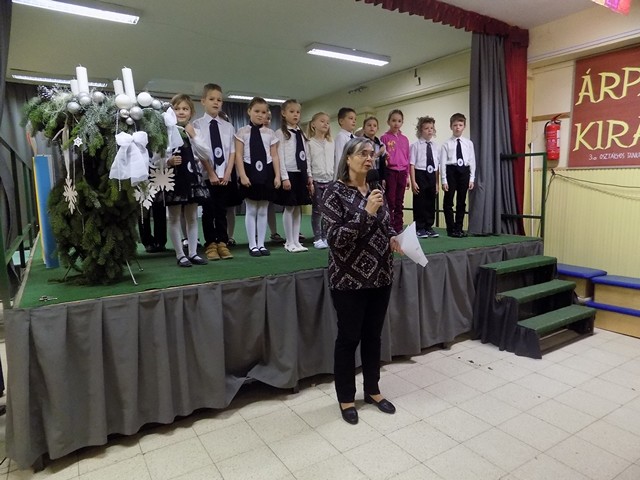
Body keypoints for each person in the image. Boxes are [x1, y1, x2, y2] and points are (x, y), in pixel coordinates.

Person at [321, 137, 403, 425]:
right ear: (348, 158)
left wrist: (393, 237)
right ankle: (346, 397)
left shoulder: (376, 188)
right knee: (348, 339)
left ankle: (373, 391)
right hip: (349, 280)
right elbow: (334, 239)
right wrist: (366, 213)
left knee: (373, 337)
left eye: (371, 154)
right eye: (363, 154)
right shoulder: (333, 192)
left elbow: (387, 223)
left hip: (381, 275)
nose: (369, 158)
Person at [164, 94, 210, 267]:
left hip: (191, 178)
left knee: (192, 217)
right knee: (174, 217)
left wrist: (194, 136)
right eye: (177, 109)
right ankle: (180, 254)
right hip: (174, 178)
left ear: (191, 112)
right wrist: (167, 161)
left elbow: (205, 154)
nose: (181, 112)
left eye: (185, 109)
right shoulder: (166, 131)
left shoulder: (193, 131)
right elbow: (156, 156)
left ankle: (193, 252)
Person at [192, 83, 235, 261]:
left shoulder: (228, 127)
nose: (216, 102)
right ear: (203, 101)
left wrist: (228, 173)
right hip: (207, 175)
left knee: (221, 210)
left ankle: (222, 243)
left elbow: (232, 152)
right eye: (212, 99)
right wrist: (210, 172)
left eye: (219, 100)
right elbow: (199, 151)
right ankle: (210, 243)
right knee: (208, 210)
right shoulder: (197, 125)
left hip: (224, 175)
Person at [234, 97, 282, 256]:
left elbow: (274, 156)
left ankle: (261, 244)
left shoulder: (270, 133)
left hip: (266, 171)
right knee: (251, 209)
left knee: (263, 210)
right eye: (257, 111)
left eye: (264, 112)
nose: (261, 115)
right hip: (249, 170)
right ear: (249, 111)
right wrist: (242, 175)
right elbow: (238, 155)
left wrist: (277, 176)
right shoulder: (242, 132)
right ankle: (252, 245)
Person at [275, 99, 313, 253]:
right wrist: (284, 177)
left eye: (298, 112)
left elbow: (306, 156)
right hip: (289, 173)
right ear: (284, 113)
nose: (295, 115)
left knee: (298, 208)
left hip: (301, 173)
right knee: (290, 207)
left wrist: (309, 175)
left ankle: (296, 240)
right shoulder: (281, 133)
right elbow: (280, 156)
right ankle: (289, 241)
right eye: (292, 111)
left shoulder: (301, 133)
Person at [440, 112, 475, 237]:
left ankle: (459, 228)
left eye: (460, 125)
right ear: (451, 126)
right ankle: (451, 228)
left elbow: (472, 161)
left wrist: (472, 178)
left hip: (464, 172)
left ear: (464, 126)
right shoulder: (446, 144)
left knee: (461, 201)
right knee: (448, 200)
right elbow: (442, 163)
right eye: (455, 125)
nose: (457, 128)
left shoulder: (468, 143)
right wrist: (444, 180)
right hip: (451, 171)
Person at [306, 111, 334, 249]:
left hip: (329, 179)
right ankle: (317, 238)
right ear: (313, 124)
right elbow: (308, 161)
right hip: (317, 180)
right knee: (317, 210)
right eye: (322, 121)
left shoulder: (331, 143)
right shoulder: (309, 143)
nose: (325, 124)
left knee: (328, 211)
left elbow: (334, 160)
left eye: (327, 122)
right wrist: (310, 178)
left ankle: (325, 236)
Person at [410, 116, 440, 238]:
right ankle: (419, 227)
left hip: (432, 174)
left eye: (431, 128)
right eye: (426, 128)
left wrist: (437, 183)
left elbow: (437, 165)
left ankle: (429, 226)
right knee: (420, 201)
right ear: (420, 130)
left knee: (430, 201)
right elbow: (412, 164)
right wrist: (413, 181)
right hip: (420, 173)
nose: (429, 130)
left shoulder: (435, 146)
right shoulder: (415, 145)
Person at [381, 109, 410, 233]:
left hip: (402, 172)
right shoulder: (384, 138)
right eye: (393, 120)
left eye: (399, 121)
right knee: (390, 200)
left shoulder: (405, 139)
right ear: (388, 121)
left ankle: (398, 226)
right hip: (390, 172)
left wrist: (407, 176)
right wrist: (383, 177)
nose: (396, 123)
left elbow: (407, 157)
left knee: (399, 201)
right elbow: (382, 158)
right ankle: (389, 226)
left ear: (402, 122)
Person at [361, 116, 387, 190]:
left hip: (378, 173)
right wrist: (379, 153)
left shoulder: (380, 143)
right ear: (364, 128)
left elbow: (383, 162)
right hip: (365, 173)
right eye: (369, 125)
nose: (372, 127)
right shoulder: (361, 143)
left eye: (374, 125)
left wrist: (383, 178)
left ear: (377, 128)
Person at [333, 107, 357, 177]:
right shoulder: (341, 137)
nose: (354, 121)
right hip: (345, 173)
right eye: (351, 118)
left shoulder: (355, 138)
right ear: (341, 121)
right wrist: (340, 176)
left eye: (355, 119)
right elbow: (340, 158)